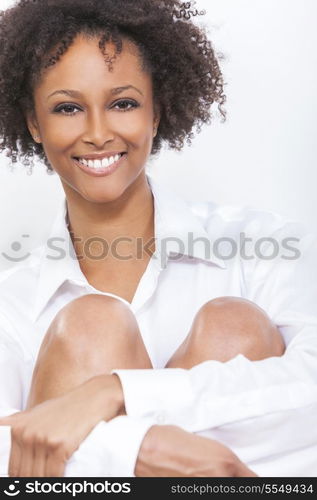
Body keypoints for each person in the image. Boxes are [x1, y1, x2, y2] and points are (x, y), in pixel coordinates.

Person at [0, 0, 316, 478]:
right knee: (90, 325)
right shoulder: (10, 304)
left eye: (123, 103)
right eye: (68, 108)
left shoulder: (263, 244)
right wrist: (143, 451)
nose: (98, 133)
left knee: (234, 324)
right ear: (34, 123)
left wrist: (116, 394)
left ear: (156, 111)